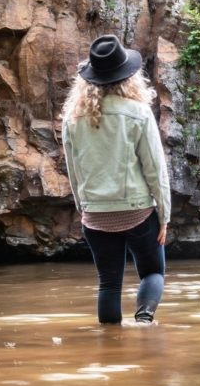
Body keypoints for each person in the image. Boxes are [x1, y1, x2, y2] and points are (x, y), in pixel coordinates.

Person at [61, 34, 171, 324]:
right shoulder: (138, 113)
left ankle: (110, 349)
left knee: (109, 284)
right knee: (153, 272)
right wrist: (164, 215)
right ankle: (144, 320)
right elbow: (155, 169)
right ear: (128, 77)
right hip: (138, 211)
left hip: (96, 215)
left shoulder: (72, 120)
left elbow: (74, 172)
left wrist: (84, 208)